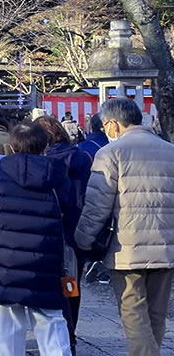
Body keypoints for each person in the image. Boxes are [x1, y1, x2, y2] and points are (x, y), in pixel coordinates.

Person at [75, 98, 174, 356]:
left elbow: (96, 206)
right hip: (166, 246)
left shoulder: (110, 153)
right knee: (156, 314)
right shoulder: (170, 150)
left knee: (133, 313)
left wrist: (82, 240)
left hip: (126, 248)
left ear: (112, 124)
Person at [0, 123, 73, 356]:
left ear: (12, 146)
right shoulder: (57, 175)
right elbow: (69, 209)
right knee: (50, 317)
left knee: (8, 320)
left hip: (3, 257)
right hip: (45, 255)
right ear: (44, 145)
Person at [35, 115, 89, 353]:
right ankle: (71, 333)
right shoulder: (83, 157)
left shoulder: (43, 163)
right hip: (78, 227)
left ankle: (55, 335)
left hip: (50, 228)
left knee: (48, 284)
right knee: (72, 283)